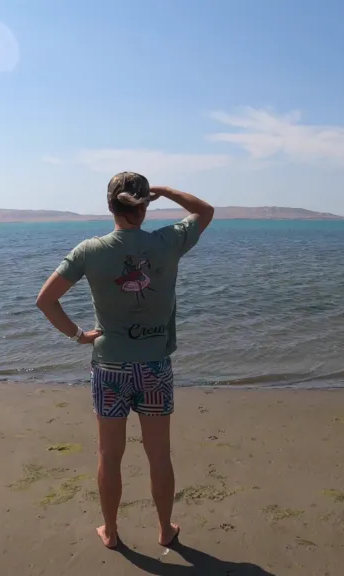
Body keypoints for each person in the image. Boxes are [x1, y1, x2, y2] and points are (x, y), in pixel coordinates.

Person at [35, 172, 214, 549]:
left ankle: (111, 532)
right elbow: (205, 211)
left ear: (110, 205)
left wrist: (78, 335)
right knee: (159, 455)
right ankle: (164, 530)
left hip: (110, 368)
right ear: (145, 206)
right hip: (154, 367)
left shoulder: (90, 250)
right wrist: (165, 190)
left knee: (109, 455)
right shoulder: (167, 241)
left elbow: (46, 301)